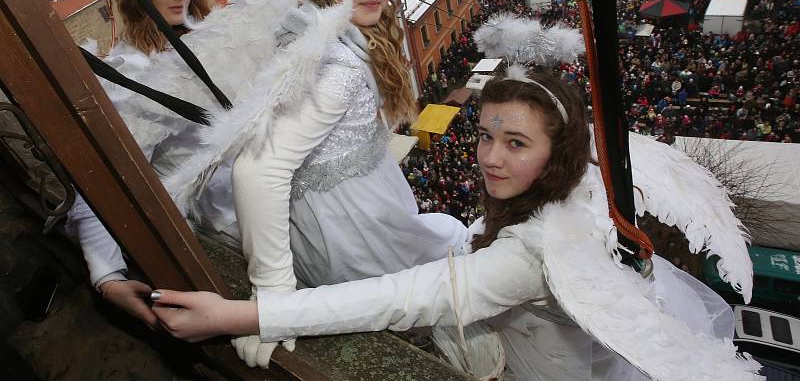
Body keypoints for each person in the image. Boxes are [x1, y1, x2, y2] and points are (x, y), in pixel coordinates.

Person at [151, 71, 761, 380]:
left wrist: (241, 315)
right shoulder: (584, 176)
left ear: (560, 153)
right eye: (487, 134)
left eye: (516, 142)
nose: (491, 157)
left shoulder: (536, 253)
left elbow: (401, 298)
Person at [163, 0, 469, 366]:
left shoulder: (315, 29)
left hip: (352, 209)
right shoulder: (336, 66)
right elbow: (258, 169)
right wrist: (273, 299)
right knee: (414, 293)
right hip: (352, 229)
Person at [67, 0, 235, 329]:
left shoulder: (201, 41)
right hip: (227, 213)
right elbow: (103, 171)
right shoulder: (131, 74)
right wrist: (106, 275)